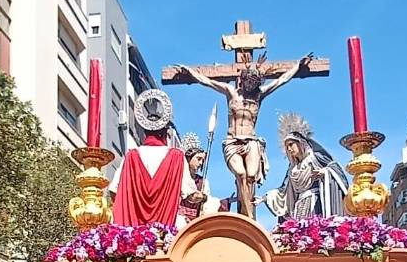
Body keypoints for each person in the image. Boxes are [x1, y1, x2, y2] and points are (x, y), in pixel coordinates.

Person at [171, 55, 315, 217]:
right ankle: (248, 216)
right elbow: (207, 81)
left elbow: (281, 80)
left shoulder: (258, 95)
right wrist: (190, 72)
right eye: (249, 82)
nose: (251, 86)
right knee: (240, 174)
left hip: (251, 141)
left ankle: (248, 214)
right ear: (243, 80)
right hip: (232, 142)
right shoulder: (231, 93)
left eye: (254, 83)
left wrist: (297, 65)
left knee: (251, 176)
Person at [110, 89, 198, 228]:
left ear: (144, 132)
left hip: (133, 231)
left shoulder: (131, 156)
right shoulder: (177, 157)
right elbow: (190, 193)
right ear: (166, 133)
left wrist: (130, 211)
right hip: (165, 231)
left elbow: (114, 190)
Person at [175, 132, 223, 228]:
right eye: (198, 159)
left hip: (197, 221)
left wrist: (204, 198)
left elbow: (208, 202)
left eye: (202, 160)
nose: (200, 163)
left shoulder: (203, 182)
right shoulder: (178, 177)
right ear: (189, 158)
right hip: (178, 220)